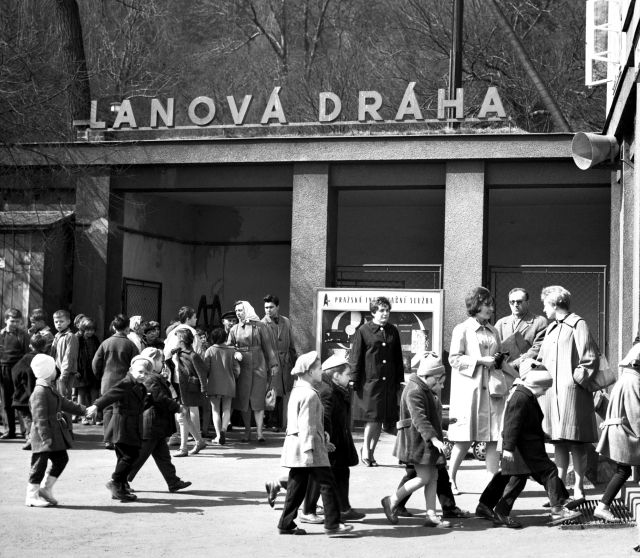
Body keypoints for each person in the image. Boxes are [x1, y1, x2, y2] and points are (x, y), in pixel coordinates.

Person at [487, 362, 583, 526]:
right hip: (523, 450)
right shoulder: (521, 397)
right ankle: (558, 508)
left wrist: (542, 435)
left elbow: (525, 424)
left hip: (524, 449)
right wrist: (508, 448)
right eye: (544, 389)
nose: (544, 393)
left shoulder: (524, 395)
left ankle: (501, 513)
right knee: (549, 472)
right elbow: (512, 424)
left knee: (518, 482)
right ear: (537, 385)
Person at [447, 287, 518, 494]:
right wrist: (479, 360)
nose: (491, 308)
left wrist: (518, 376)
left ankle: (491, 485)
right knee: (465, 437)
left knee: (494, 437)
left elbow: (498, 360)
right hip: (471, 391)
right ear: (476, 306)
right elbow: (454, 359)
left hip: (493, 391)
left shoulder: (493, 330)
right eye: (487, 304)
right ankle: (450, 479)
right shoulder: (462, 329)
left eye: (491, 304)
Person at [276, 351, 354, 537]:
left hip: (298, 446)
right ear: (310, 372)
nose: (321, 372)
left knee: (297, 485)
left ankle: (286, 523)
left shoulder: (298, 390)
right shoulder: (311, 395)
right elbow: (307, 426)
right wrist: (311, 449)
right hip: (309, 447)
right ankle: (333, 525)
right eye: (319, 369)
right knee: (327, 484)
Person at [538, 285, 598, 500]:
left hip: (572, 394)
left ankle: (579, 488)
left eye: (545, 304)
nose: (543, 309)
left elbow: (590, 358)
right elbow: (543, 358)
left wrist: (574, 381)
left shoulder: (578, 324)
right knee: (559, 442)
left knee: (576, 442)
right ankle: (560, 491)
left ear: (555, 304)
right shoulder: (552, 328)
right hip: (553, 395)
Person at [381, 353, 450, 528]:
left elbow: (427, 417)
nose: (440, 385)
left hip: (421, 440)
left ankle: (431, 515)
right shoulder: (415, 390)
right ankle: (391, 500)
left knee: (432, 476)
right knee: (424, 477)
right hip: (416, 441)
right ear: (430, 375)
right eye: (439, 380)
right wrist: (434, 439)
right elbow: (419, 418)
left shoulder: (421, 388)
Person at [349, 296, 404, 467]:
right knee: (372, 418)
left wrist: (399, 380)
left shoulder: (393, 331)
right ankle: (365, 449)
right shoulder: (363, 331)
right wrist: (353, 379)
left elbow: (397, 357)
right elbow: (356, 356)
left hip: (388, 383)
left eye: (387, 310)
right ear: (373, 312)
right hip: (370, 384)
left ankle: (371, 453)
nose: (385, 314)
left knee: (380, 419)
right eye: (381, 310)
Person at [86, 355, 151, 502]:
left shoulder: (140, 386)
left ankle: (120, 486)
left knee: (124, 457)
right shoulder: (127, 382)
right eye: (140, 372)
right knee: (131, 456)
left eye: (146, 374)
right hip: (123, 424)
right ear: (131, 370)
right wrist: (97, 405)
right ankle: (115, 482)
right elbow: (111, 394)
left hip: (132, 425)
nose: (143, 375)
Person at [126, 348, 192, 493]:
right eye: (160, 361)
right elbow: (159, 398)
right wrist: (178, 407)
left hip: (156, 424)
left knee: (163, 456)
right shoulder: (150, 378)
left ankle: (173, 481)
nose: (162, 363)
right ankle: (121, 481)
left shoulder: (152, 377)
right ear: (153, 360)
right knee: (140, 456)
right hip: (152, 423)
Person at [26, 354, 86, 507]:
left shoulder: (49, 388)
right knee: (39, 464)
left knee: (61, 460)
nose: (56, 371)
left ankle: (45, 489)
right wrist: (46, 437)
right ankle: (31, 495)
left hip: (53, 432)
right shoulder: (40, 391)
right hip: (43, 435)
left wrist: (84, 410)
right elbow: (39, 418)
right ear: (47, 371)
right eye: (53, 368)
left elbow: (64, 403)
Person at [593, 345, 640, 522]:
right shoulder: (634, 382)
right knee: (623, 471)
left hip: (620, 431)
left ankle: (603, 505)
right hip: (625, 433)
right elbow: (636, 413)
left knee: (623, 470)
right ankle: (603, 506)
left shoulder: (626, 379)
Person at [228, 300, 279, 443]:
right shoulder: (234, 329)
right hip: (242, 366)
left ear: (247, 310)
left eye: (241, 310)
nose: (238, 313)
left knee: (257, 400)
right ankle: (247, 431)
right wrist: (234, 353)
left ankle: (260, 432)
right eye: (237, 311)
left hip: (259, 365)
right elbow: (228, 346)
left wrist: (273, 364)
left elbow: (268, 347)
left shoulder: (260, 326)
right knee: (244, 400)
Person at [92, 314, 139, 449]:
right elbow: (136, 364)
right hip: (124, 382)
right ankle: (118, 437)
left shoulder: (105, 343)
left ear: (114, 327)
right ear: (127, 328)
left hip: (106, 381)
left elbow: (96, 363)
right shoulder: (130, 345)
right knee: (120, 410)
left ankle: (107, 439)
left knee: (107, 409)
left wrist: (100, 376)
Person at [262, 294, 298, 431]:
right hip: (271, 361)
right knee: (272, 391)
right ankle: (271, 421)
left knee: (283, 391)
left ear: (277, 307)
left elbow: (292, 343)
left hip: (285, 361)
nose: (268, 310)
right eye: (266, 307)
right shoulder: (262, 323)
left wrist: (295, 362)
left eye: (271, 307)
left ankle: (278, 421)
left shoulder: (286, 321)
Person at [170, 328, 208, 457]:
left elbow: (201, 373)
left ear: (181, 340)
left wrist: (203, 389)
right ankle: (199, 442)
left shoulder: (192, 355)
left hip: (188, 388)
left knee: (182, 416)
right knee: (184, 417)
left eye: (176, 338)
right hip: (178, 387)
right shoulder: (178, 353)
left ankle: (184, 448)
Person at [494, 288, 547, 370]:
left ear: (527, 302)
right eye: (512, 302)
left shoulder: (539, 322)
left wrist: (514, 364)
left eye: (519, 301)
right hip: (504, 371)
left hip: (528, 370)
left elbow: (538, 349)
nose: (515, 305)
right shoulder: (501, 323)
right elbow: (495, 347)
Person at [204, 327, 240, 445]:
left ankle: (218, 435)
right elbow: (236, 370)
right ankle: (224, 429)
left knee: (215, 410)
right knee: (226, 409)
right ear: (225, 337)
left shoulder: (209, 350)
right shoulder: (232, 350)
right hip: (229, 383)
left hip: (213, 383)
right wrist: (234, 376)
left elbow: (206, 369)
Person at [12, 333, 48, 450]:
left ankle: (30, 438)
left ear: (30, 346)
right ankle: (38, 438)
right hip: (41, 394)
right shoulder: (46, 359)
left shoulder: (25, 359)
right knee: (39, 417)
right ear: (45, 346)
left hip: (25, 395)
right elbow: (55, 373)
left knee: (28, 418)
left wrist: (19, 385)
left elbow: (15, 373)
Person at [0, 308, 30, 439]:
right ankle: (9, 430)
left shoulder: (23, 335)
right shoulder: (1, 335)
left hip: (18, 369)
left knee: (20, 399)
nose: (14, 324)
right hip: (3, 368)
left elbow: (26, 354)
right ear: (6, 320)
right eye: (12, 321)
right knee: (6, 400)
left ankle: (25, 430)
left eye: (17, 321)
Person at [51, 310, 80, 423]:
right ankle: (59, 427)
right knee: (57, 401)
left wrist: (64, 374)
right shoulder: (57, 336)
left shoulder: (70, 336)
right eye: (56, 321)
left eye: (61, 321)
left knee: (64, 401)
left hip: (65, 374)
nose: (58, 324)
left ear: (68, 322)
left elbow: (69, 357)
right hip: (56, 373)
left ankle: (67, 428)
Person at [76, 317, 101, 424]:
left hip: (93, 371)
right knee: (81, 395)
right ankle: (83, 417)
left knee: (94, 394)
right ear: (82, 329)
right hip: (81, 371)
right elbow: (74, 356)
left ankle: (95, 417)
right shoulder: (78, 339)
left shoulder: (95, 339)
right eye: (87, 329)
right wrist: (76, 369)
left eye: (92, 329)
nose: (90, 332)